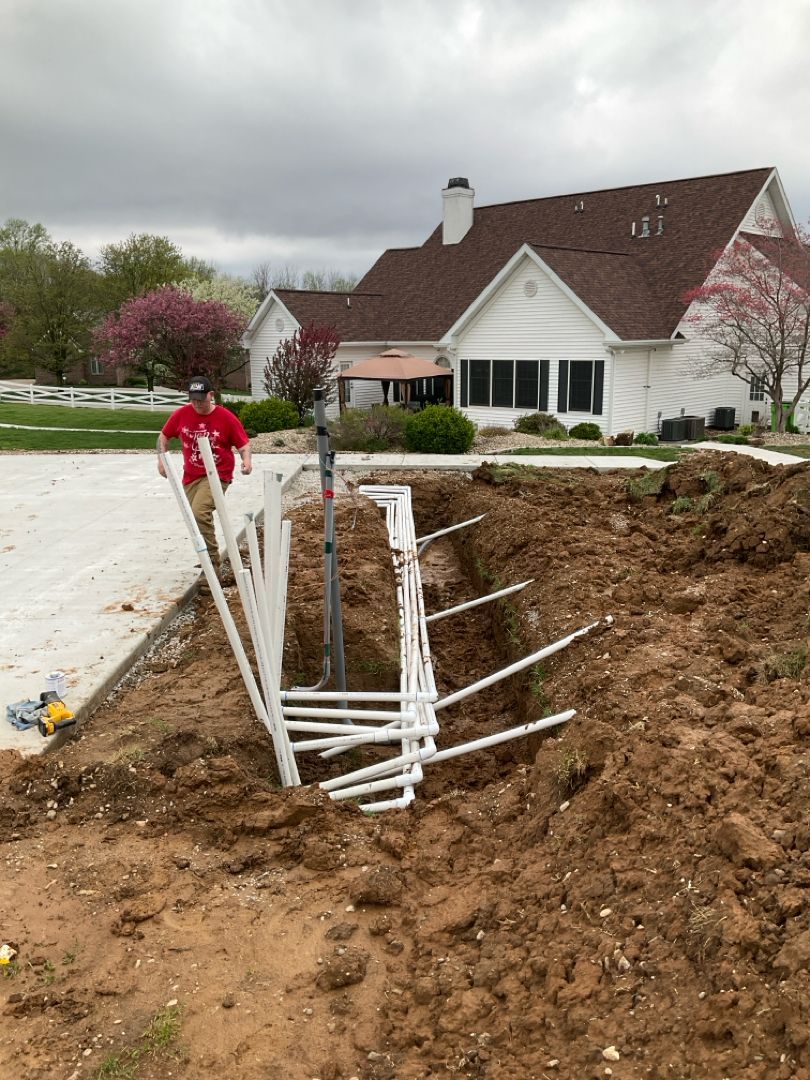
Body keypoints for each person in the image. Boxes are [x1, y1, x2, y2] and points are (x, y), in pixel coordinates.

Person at [157, 376, 252, 576]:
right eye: (193, 399)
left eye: (201, 398)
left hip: (218, 475)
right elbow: (163, 436)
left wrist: (247, 460)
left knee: (199, 511)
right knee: (194, 517)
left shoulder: (225, 417)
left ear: (211, 395)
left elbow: (243, 444)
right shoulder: (182, 414)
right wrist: (161, 459)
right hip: (191, 476)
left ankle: (212, 564)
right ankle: (206, 558)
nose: (197, 403)